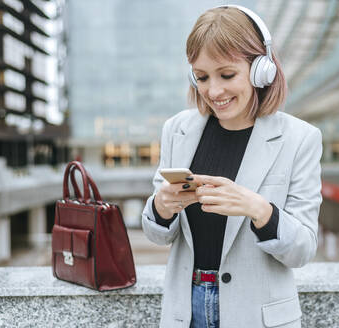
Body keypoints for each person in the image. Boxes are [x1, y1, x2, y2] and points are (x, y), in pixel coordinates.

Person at [141, 5, 322, 328]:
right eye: (201, 77)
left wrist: (260, 210)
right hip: (185, 310)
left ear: (261, 70)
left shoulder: (301, 139)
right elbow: (156, 234)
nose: (213, 91)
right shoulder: (177, 130)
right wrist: (161, 207)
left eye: (227, 75)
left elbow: (303, 250)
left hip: (259, 316)